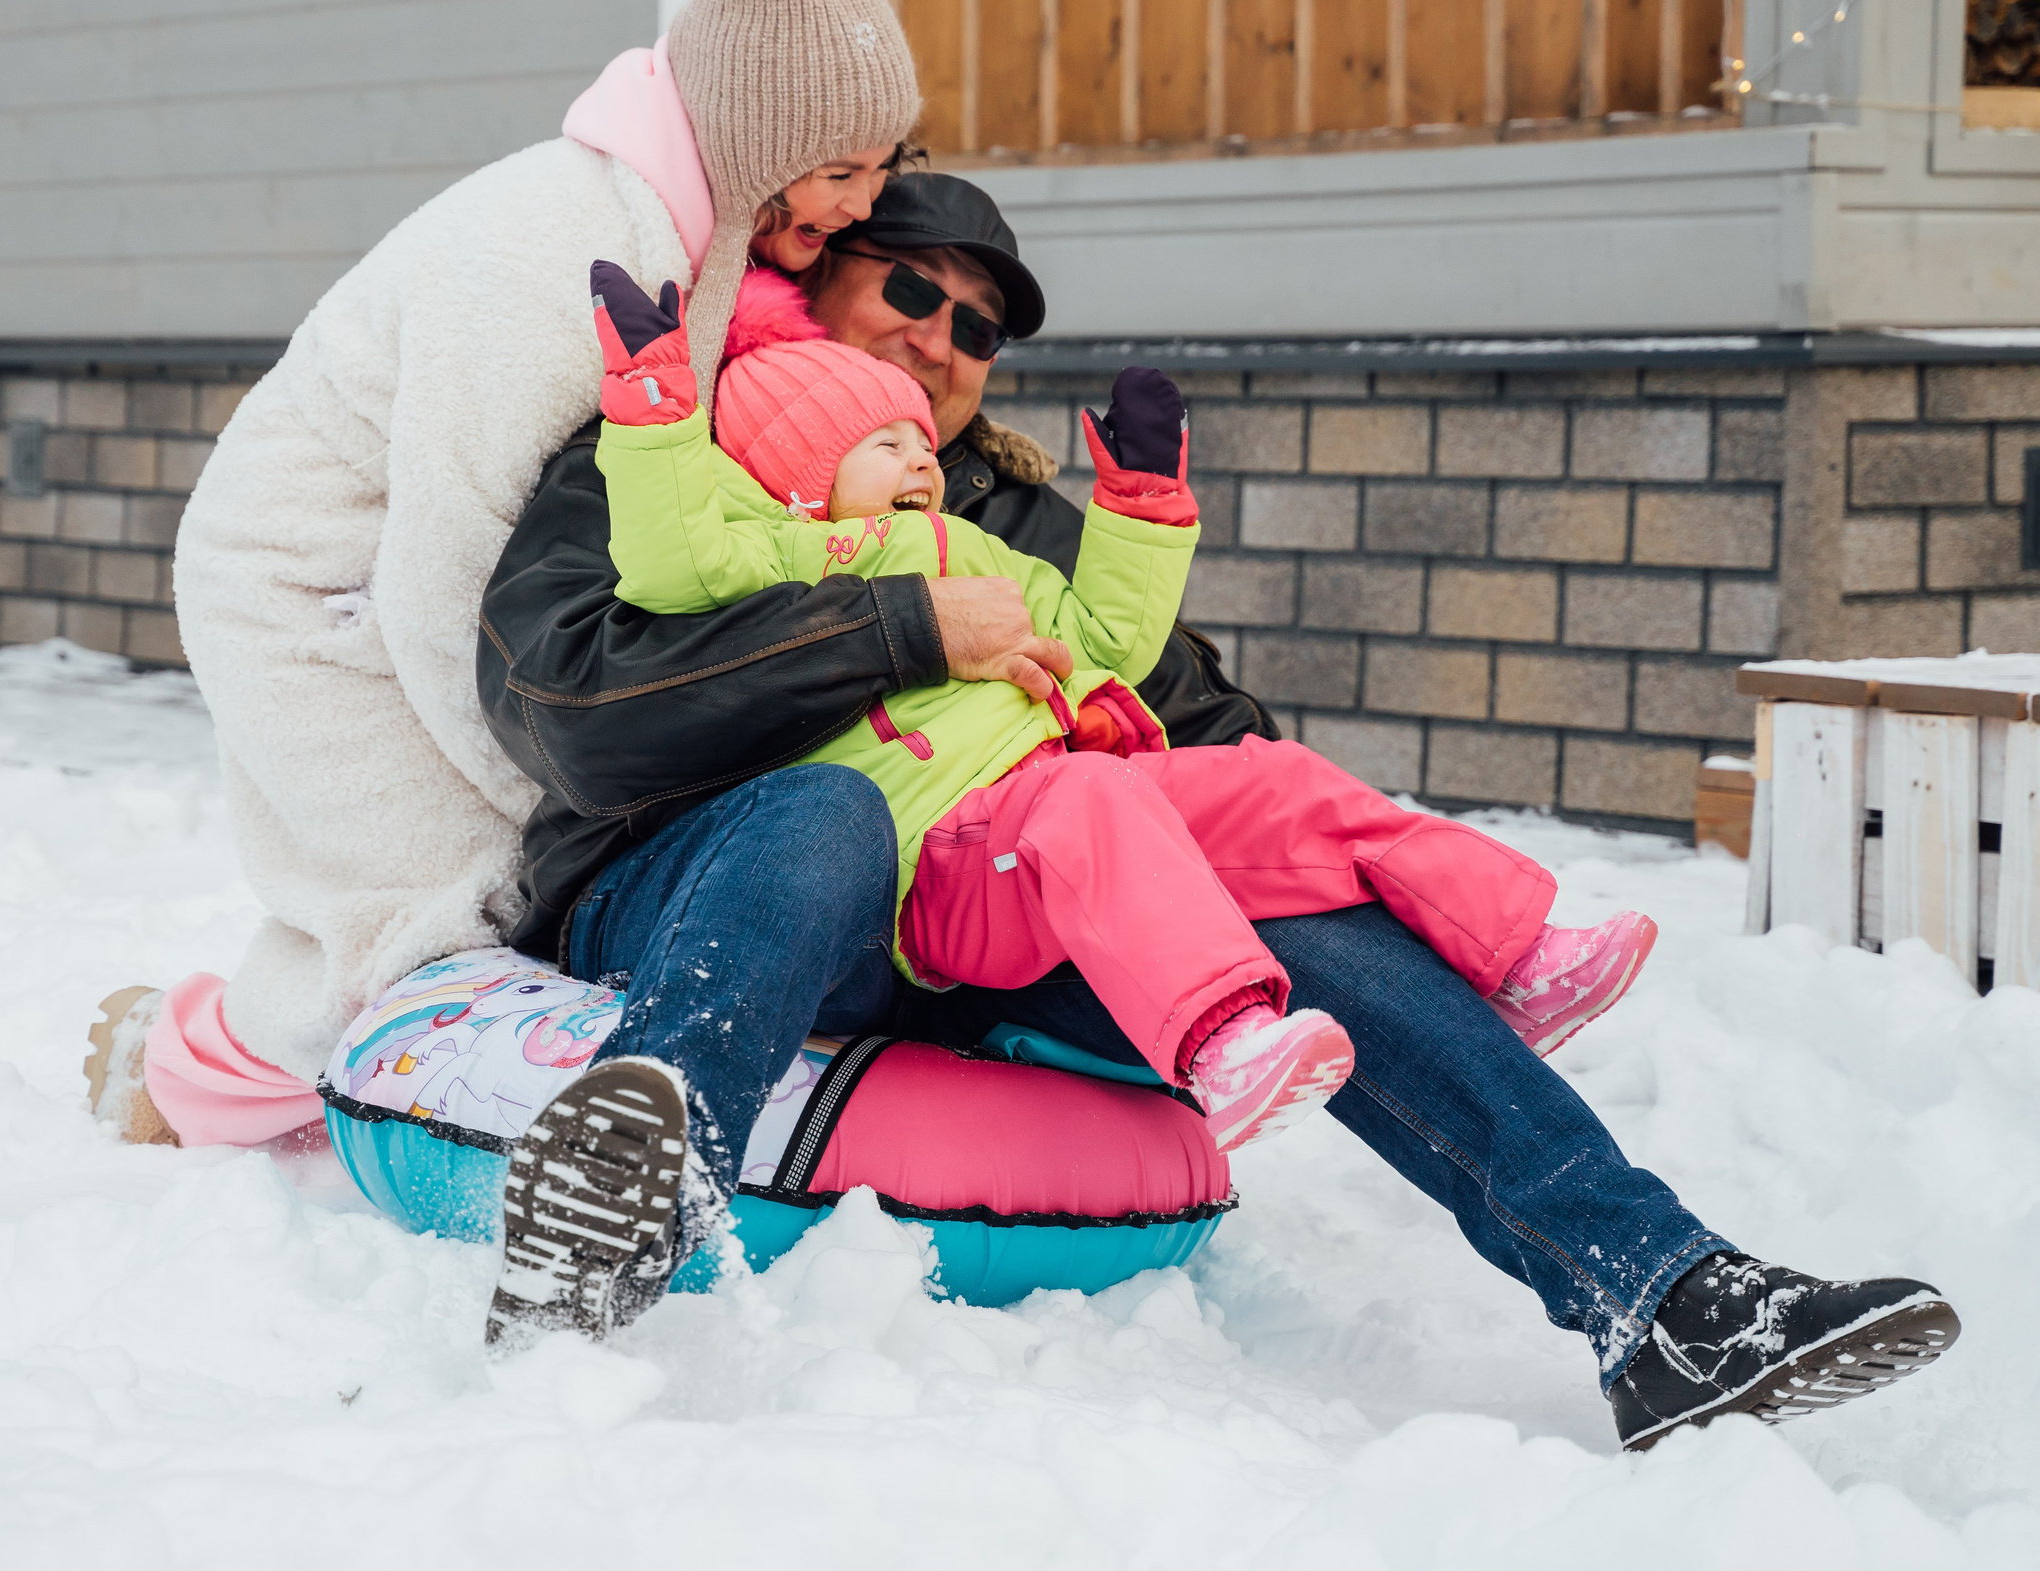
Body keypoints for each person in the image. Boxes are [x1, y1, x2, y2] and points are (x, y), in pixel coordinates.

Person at [476, 169, 1964, 1450]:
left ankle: (1659, 1293)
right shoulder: (675, 455)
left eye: (976, 327)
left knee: (1288, 886)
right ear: (817, 276)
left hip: (980, 899)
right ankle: (625, 1219)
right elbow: (571, 709)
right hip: (702, 873)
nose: (939, 339)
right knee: (827, 818)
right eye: (910, 289)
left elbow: (1202, 723)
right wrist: (908, 631)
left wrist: (1289, 829)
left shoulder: (1017, 522)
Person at [87, 0, 929, 1156]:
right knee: (441, 905)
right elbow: (451, 557)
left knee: (436, 903)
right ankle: (175, 1082)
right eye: (843, 167)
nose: (867, 203)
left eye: (884, 163)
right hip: (314, 584)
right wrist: (545, 790)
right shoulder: (562, 243)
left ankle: (199, 1057)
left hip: (396, 578)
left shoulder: (687, 234)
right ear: (760, 137)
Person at [584, 260, 1662, 1152]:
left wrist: (1138, 509)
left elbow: (1103, 642)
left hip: (1059, 805)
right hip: (944, 862)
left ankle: (1516, 951)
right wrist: (654, 412)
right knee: (1089, 799)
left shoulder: (987, 554)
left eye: (922, 442)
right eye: (884, 445)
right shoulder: (784, 558)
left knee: (1274, 780)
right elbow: (675, 552)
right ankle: (1217, 1041)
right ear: (797, 479)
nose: (920, 457)